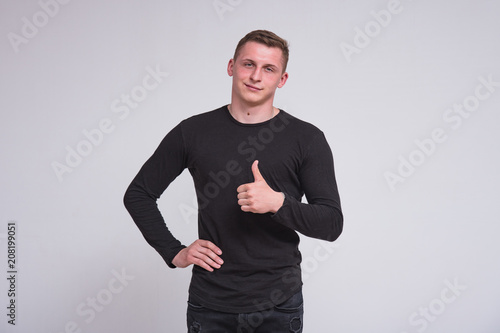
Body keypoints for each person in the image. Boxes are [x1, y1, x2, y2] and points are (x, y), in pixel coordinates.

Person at [124, 29, 343, 333]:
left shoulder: (306, 139)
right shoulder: (193, 131)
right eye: (248, 64)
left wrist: (278, 203)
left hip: (279, 305)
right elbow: (139, 194)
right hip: (211, 302)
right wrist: (174, 251)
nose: (256, 76)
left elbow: (332, 223)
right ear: (231, 66)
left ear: (282, 79)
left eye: (269, 69)